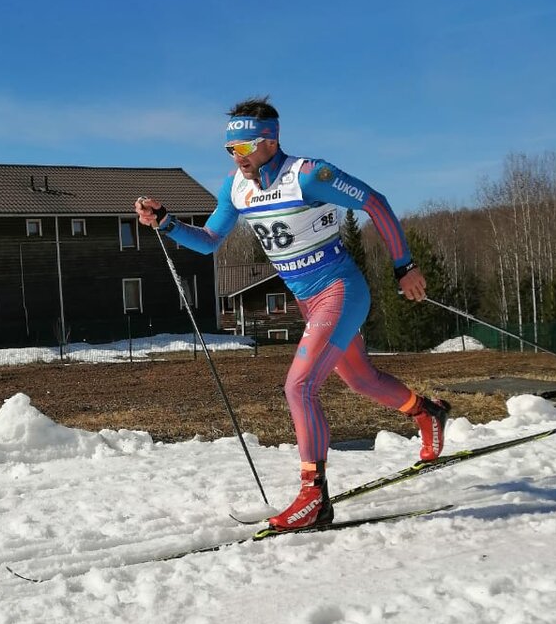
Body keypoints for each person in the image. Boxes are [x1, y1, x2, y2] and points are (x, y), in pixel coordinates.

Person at [135, 94, 450, 531]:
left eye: (244, 148)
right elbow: (209, 240)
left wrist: (405, 266)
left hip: (340, 289)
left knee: (299, 386)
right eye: (230, 150)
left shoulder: (309, 175)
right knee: (359, 378)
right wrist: (166, 222)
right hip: (308, 300)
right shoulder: (235, 188)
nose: (237, 157)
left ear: (269, 141)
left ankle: (313, 497)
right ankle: (426, 412)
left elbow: (374, 202)